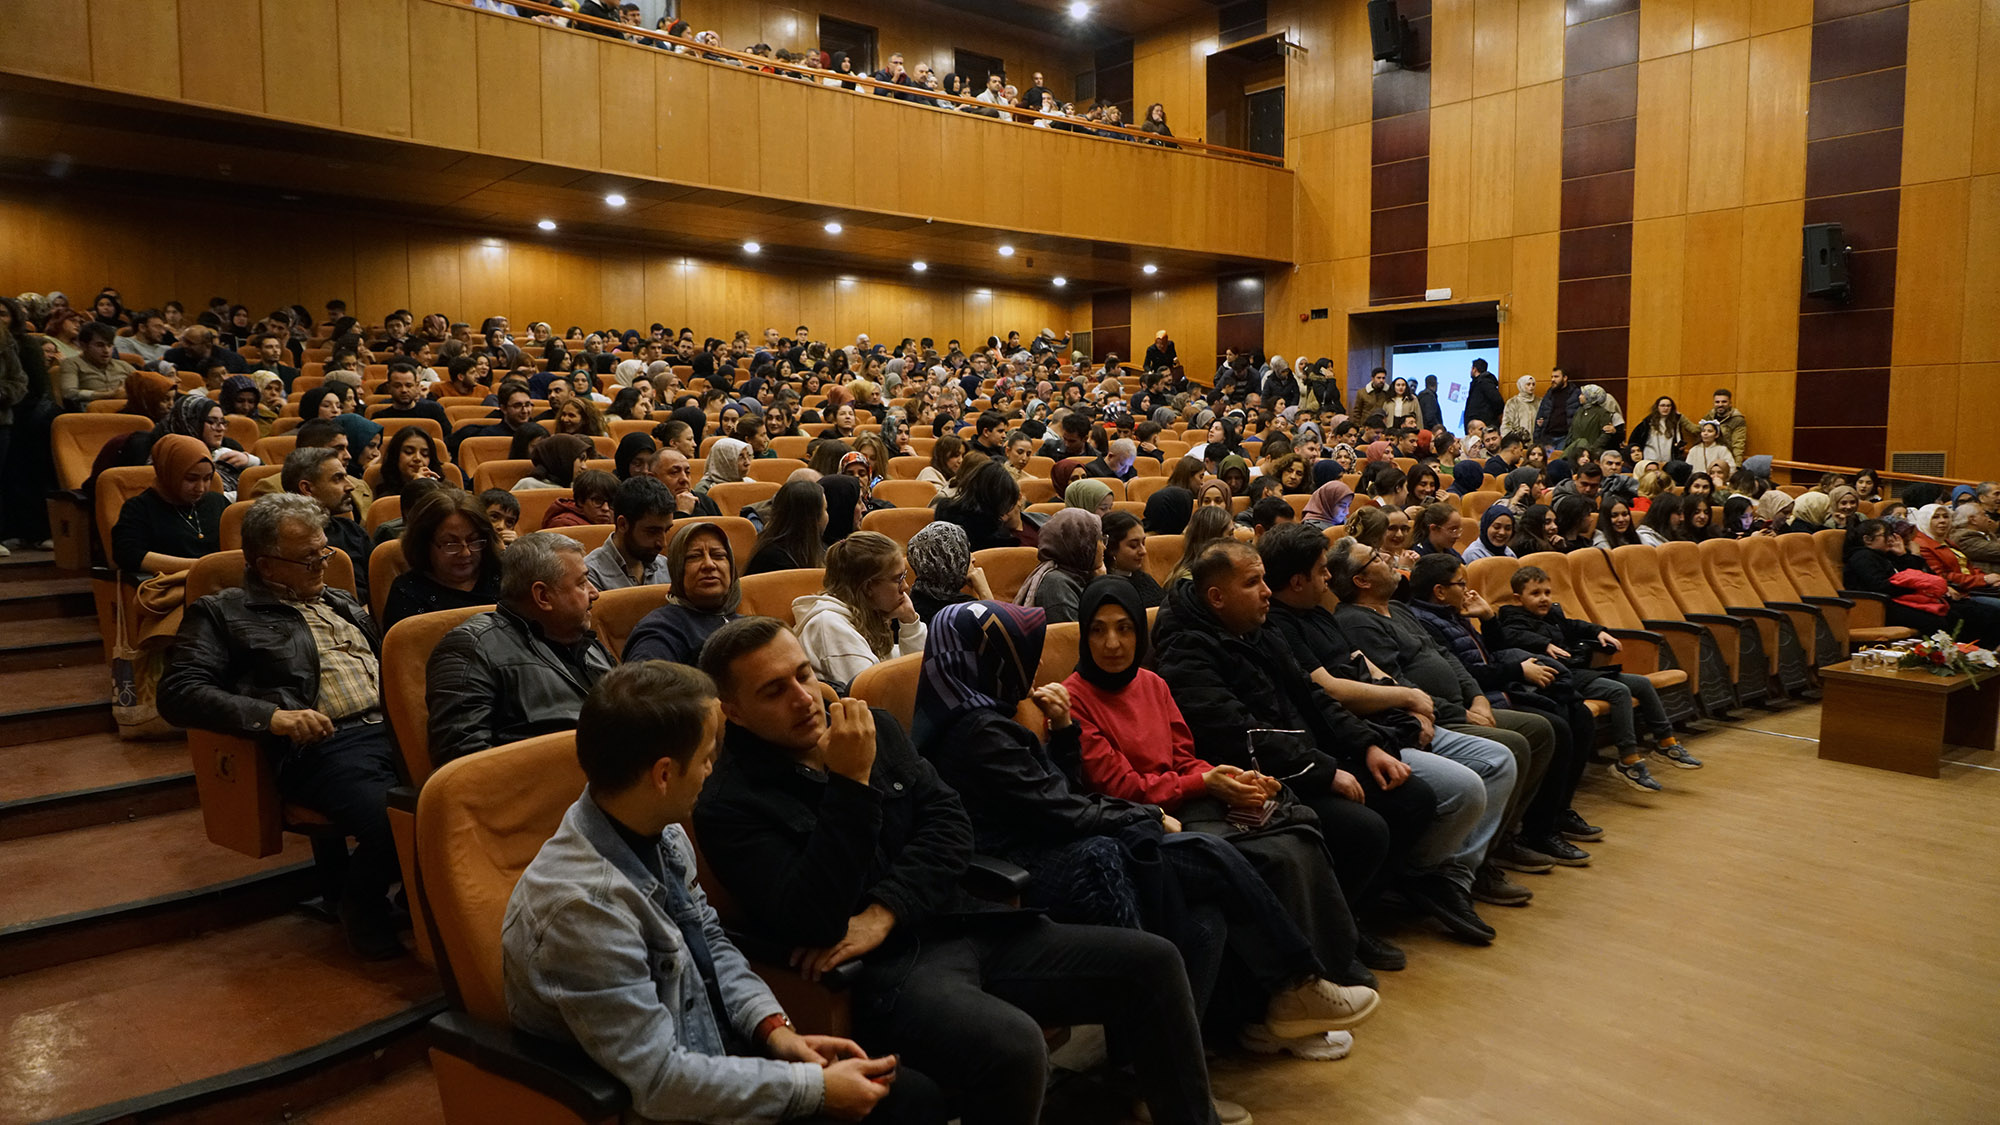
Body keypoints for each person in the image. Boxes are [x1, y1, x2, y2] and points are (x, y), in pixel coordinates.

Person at [689, 618, 1216, 1124]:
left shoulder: (875, 726)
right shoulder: (729, 803)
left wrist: (885, 909)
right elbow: (813, 915)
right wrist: (850, 786)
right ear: (734, 712)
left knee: (1154, 962)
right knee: (1013, 1047)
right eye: (773, 691)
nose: (804, 698)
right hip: (885, 972)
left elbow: (950, 825)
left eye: (804, 674)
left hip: (958, 919)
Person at [913, 600, 1377, 1092]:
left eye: (1125, 629)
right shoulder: (981, 732)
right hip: (1039, 868)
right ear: (994, 660)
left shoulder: (987, 715)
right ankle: (1291, 987)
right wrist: (1147, 815)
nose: (1035, 662)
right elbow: (1065, 808)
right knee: (1216, 858)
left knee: (1208, 914)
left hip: (1077, 841)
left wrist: (1065, 733)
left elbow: (1061, 793)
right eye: (1022, 651)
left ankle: (1168, 1070)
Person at [503, 661, 916, 1125]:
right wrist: (814, 1090)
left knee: (909, 1097)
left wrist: (773, 1029)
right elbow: (659, 1083)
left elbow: (710, 944)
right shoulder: (583, 911)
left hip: (711, 1055)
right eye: (705, 757)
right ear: (663, 775)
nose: (712, 769)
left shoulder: (659, 830)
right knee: (900, 1107)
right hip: (663, 1104)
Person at [1064, 578, 1371, 1058]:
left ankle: (1316, 984)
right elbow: (1120, 787)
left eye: (1125, 628)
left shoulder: (1153, 684)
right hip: (1142, 820)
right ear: (1084, 636)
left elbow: (1185, 757)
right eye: (1098, 630)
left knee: (1299, 833)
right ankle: (1268, 1009)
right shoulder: (1076, 698)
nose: (1113, 643)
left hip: (1186, 802)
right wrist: (1203, 784)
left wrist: (1229, 777)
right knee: (1273, 857)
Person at [161, 494, 403, 959]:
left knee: (463, 790)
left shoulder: (340, 601)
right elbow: (178, 692)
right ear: (266, 565)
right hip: (325, 745)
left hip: (395, 729)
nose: (323, 565)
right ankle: (360, 903)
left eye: (325, 552)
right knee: (392, 819)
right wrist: (271, 717)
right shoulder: (222, 612)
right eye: (309, 558)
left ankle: (421, 896)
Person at [1323, 537, 1554, 902]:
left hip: (1461, 705)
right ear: (1361, 581)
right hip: (1432, 715)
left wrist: (1477, 697)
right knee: (1515, 744)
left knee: (1542, 729)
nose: (1389, 559)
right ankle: (1463, 868)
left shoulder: (1396, 609)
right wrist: (1461, 712)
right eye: (1377, 558)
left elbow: (1444, 654)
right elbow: (1398, 682)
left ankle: (1499, 842)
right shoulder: (1356, 621)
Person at [1404, 554, 1597, 864]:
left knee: (1579, 714)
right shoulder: (1427, 622)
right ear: (1439, 591)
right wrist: (1518, 671)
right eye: (1460, 584)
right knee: (1556, 725)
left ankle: (1557, 813)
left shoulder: (1453, 614)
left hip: (1493, 688)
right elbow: (1465, 673)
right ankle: (1536, 830)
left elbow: (1491, 653)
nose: (1467, 590)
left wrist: (1488, 618)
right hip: (1479, 697)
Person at [1489, 566, 1702, 792]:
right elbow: (1510, 636)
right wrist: (1543, 643)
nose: (1544, 598)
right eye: (1535, 593)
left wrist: (1597, 631)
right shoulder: (1511, 617)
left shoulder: (1552, 615)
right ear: (1518, 598)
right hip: (1557, 678)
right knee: (1618, 691)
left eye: (1547, 592)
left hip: (1577, 671)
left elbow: (1574, 625)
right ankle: (1628, 760)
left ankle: (1666, 742)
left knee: (1642, 683)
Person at [426, 532, 611, 766]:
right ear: (543, 596)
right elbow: (465, 765)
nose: (595, 593)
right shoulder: (470, 648)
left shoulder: (587, 644)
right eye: (582, 583)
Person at [793, 531, 927, 691]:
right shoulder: (830, 627)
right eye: (898, 579)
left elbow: (916, 672)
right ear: (868, 587)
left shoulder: (865, 612)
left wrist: (910, 622)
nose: (905, 587)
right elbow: (873, 693)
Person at [623, 521, 743, 664]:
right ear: (677, 569)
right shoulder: (663, 630)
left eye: (718, 555)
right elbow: (644, 677)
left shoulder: (744, 621)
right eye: (694, 556)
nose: (709, 564)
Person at [382, 488, 503, 629]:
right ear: (424, 544)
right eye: (450, 544)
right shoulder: (407, 592)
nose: (465, 553)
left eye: (474, 540)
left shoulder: (504, 575)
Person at [112, 433, 227, 578]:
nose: (200, 488)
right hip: (171, 582)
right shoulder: (139, 508)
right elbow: (129, 555)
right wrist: (201, 567)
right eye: (191, 479)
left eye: (207, 478)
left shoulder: (217, 502)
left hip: (221, 581)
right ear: (169, 473)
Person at [281, 446, 371, 609]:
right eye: (338, 479)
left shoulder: (352, 530)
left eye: (346, 476)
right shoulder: (281, 541)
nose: (350, 486)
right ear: (307, 489)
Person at [582, 475, 675, 591]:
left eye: (666, 530)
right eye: (652, 532)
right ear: (623, 525)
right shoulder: (589, 574)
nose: (663, 543)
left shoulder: (666, 567)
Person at [1015, 508, 1100, 623]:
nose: (1104, 547)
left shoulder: (1081, 574)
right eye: (1099, 539)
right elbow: (1071, 633)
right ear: (1082, 544)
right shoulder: (1056, 587)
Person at [905, 520, 993, 626]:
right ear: (948, 559)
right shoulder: (963, 612)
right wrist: (984, 592)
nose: (973, 558)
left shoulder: (911, 601)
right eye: (964, 552)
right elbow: (996, 632)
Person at [1101, 510, 1163, 609]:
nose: (1143, 551)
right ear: (1111, 548)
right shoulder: (1104, 589)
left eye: (1143, 543)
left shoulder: (1144, 579)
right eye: (1133, 545)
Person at [1708, 388, 1748, 462]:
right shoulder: (1710, 416)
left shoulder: (1737, 419)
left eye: (1724, 402)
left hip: (1727, 458)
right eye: (1717, 402)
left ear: (1730, 403)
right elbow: (1697, 430)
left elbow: (1738, 445)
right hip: (1710, 455)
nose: (1720, 404)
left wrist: (1737, 464)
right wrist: (1683, 419)